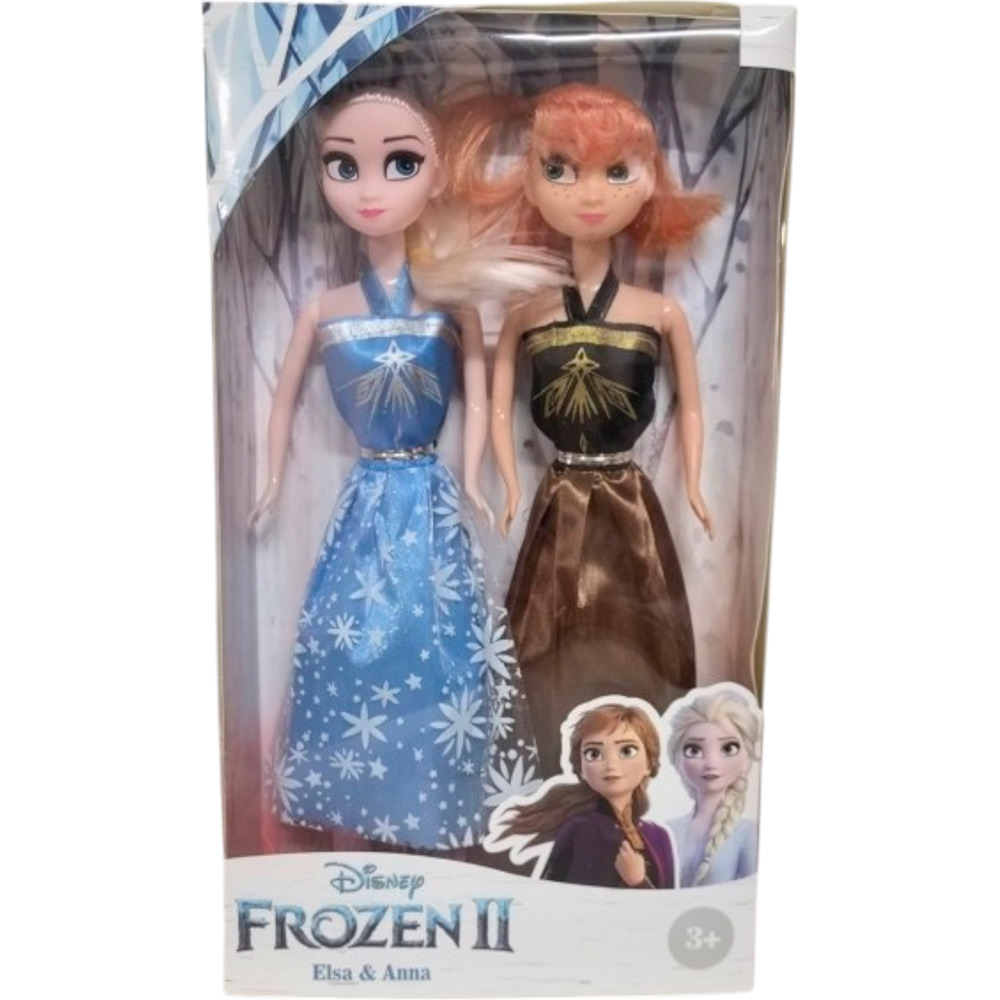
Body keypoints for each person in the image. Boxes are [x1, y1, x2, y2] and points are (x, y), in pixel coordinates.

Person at [250, 88, 558, 850]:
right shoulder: (323, 309)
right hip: (364, 502)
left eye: (400, 164)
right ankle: (362, 803)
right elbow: (282, 405)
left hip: (428, 498)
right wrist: (269, 481)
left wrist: (477, 478)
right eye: (343, 166)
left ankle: (436, 803)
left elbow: (481, 401)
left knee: (442, 653)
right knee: (347, 646)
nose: (370, 190)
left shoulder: (453, 304)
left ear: (436, 176)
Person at [448, 83, 719, 776]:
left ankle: (642, 765)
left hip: (629, 500)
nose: (590, 195)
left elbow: (691, 406)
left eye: (617, 170)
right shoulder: (528, 313)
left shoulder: (659, 313)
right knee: (546, 631)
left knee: (640, 626)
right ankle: (544, 767)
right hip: (560, 494)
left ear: (650, 181)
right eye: (560, 170)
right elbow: (497, 406)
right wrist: (510, 485)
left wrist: (693, 485)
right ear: (530, 183)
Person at [486, 699, 676, 888]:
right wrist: (638, 883)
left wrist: (639, 882)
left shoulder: (658, 836)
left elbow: (672, 903)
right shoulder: (583, 829)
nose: (611, 764)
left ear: (649, 763)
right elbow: (568, 900)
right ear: (581, 768)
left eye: (627, 751)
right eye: (594, 753)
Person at [665, 685, 762, 886]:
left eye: (728, 748)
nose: (711, 763)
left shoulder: (748, 833)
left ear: (747, 758)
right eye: (694, 750)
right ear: (677, 759)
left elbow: (748, 893)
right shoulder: (669, 830)